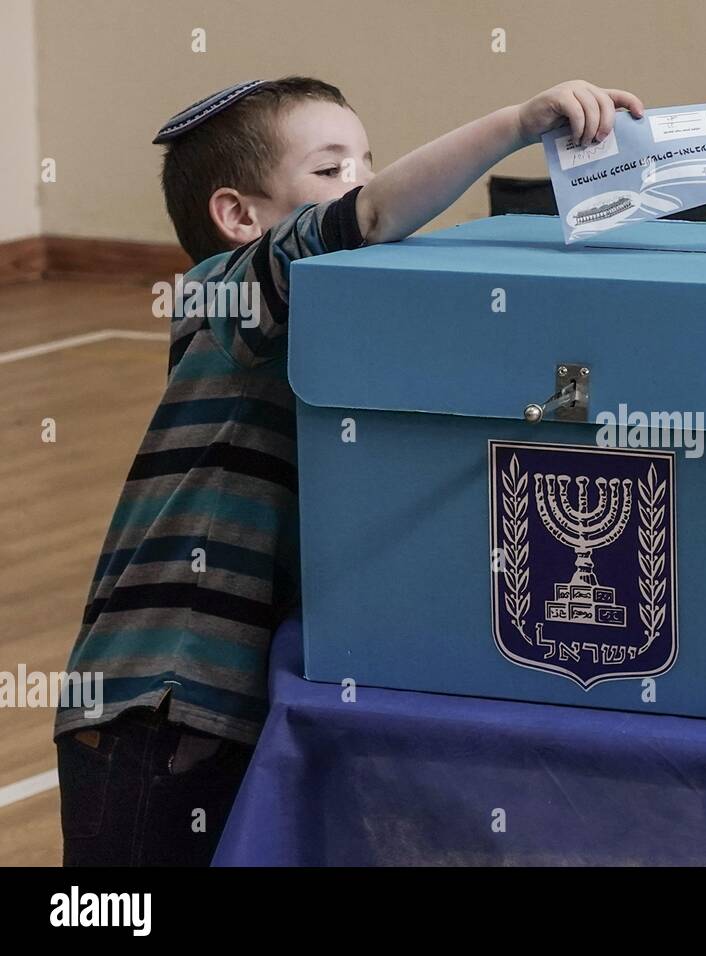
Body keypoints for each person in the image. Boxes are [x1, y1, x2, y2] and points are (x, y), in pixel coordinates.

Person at [53, 75, 645, 866]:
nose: (360, 183)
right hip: (158, 703)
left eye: (370, 160)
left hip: (248, 702)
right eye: (331, 170)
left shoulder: (343, 332)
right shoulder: (225, 297)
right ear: (239, 216)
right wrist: (519, 122)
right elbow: (368, 219)